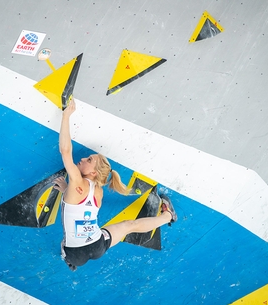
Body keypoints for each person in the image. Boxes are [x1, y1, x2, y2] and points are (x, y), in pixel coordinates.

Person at [53, 98, 177, 271]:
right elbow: (81, 206)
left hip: (75, 255)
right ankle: (168, 217)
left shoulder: (76, 183)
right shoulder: (98, 192)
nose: (82, 159)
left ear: (94, 172)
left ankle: (69, 261)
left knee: (67, 240)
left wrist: (66, 116)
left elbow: (65, 151)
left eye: (89, 159)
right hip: (97, 247)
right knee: (129, 226)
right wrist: (68, 191)